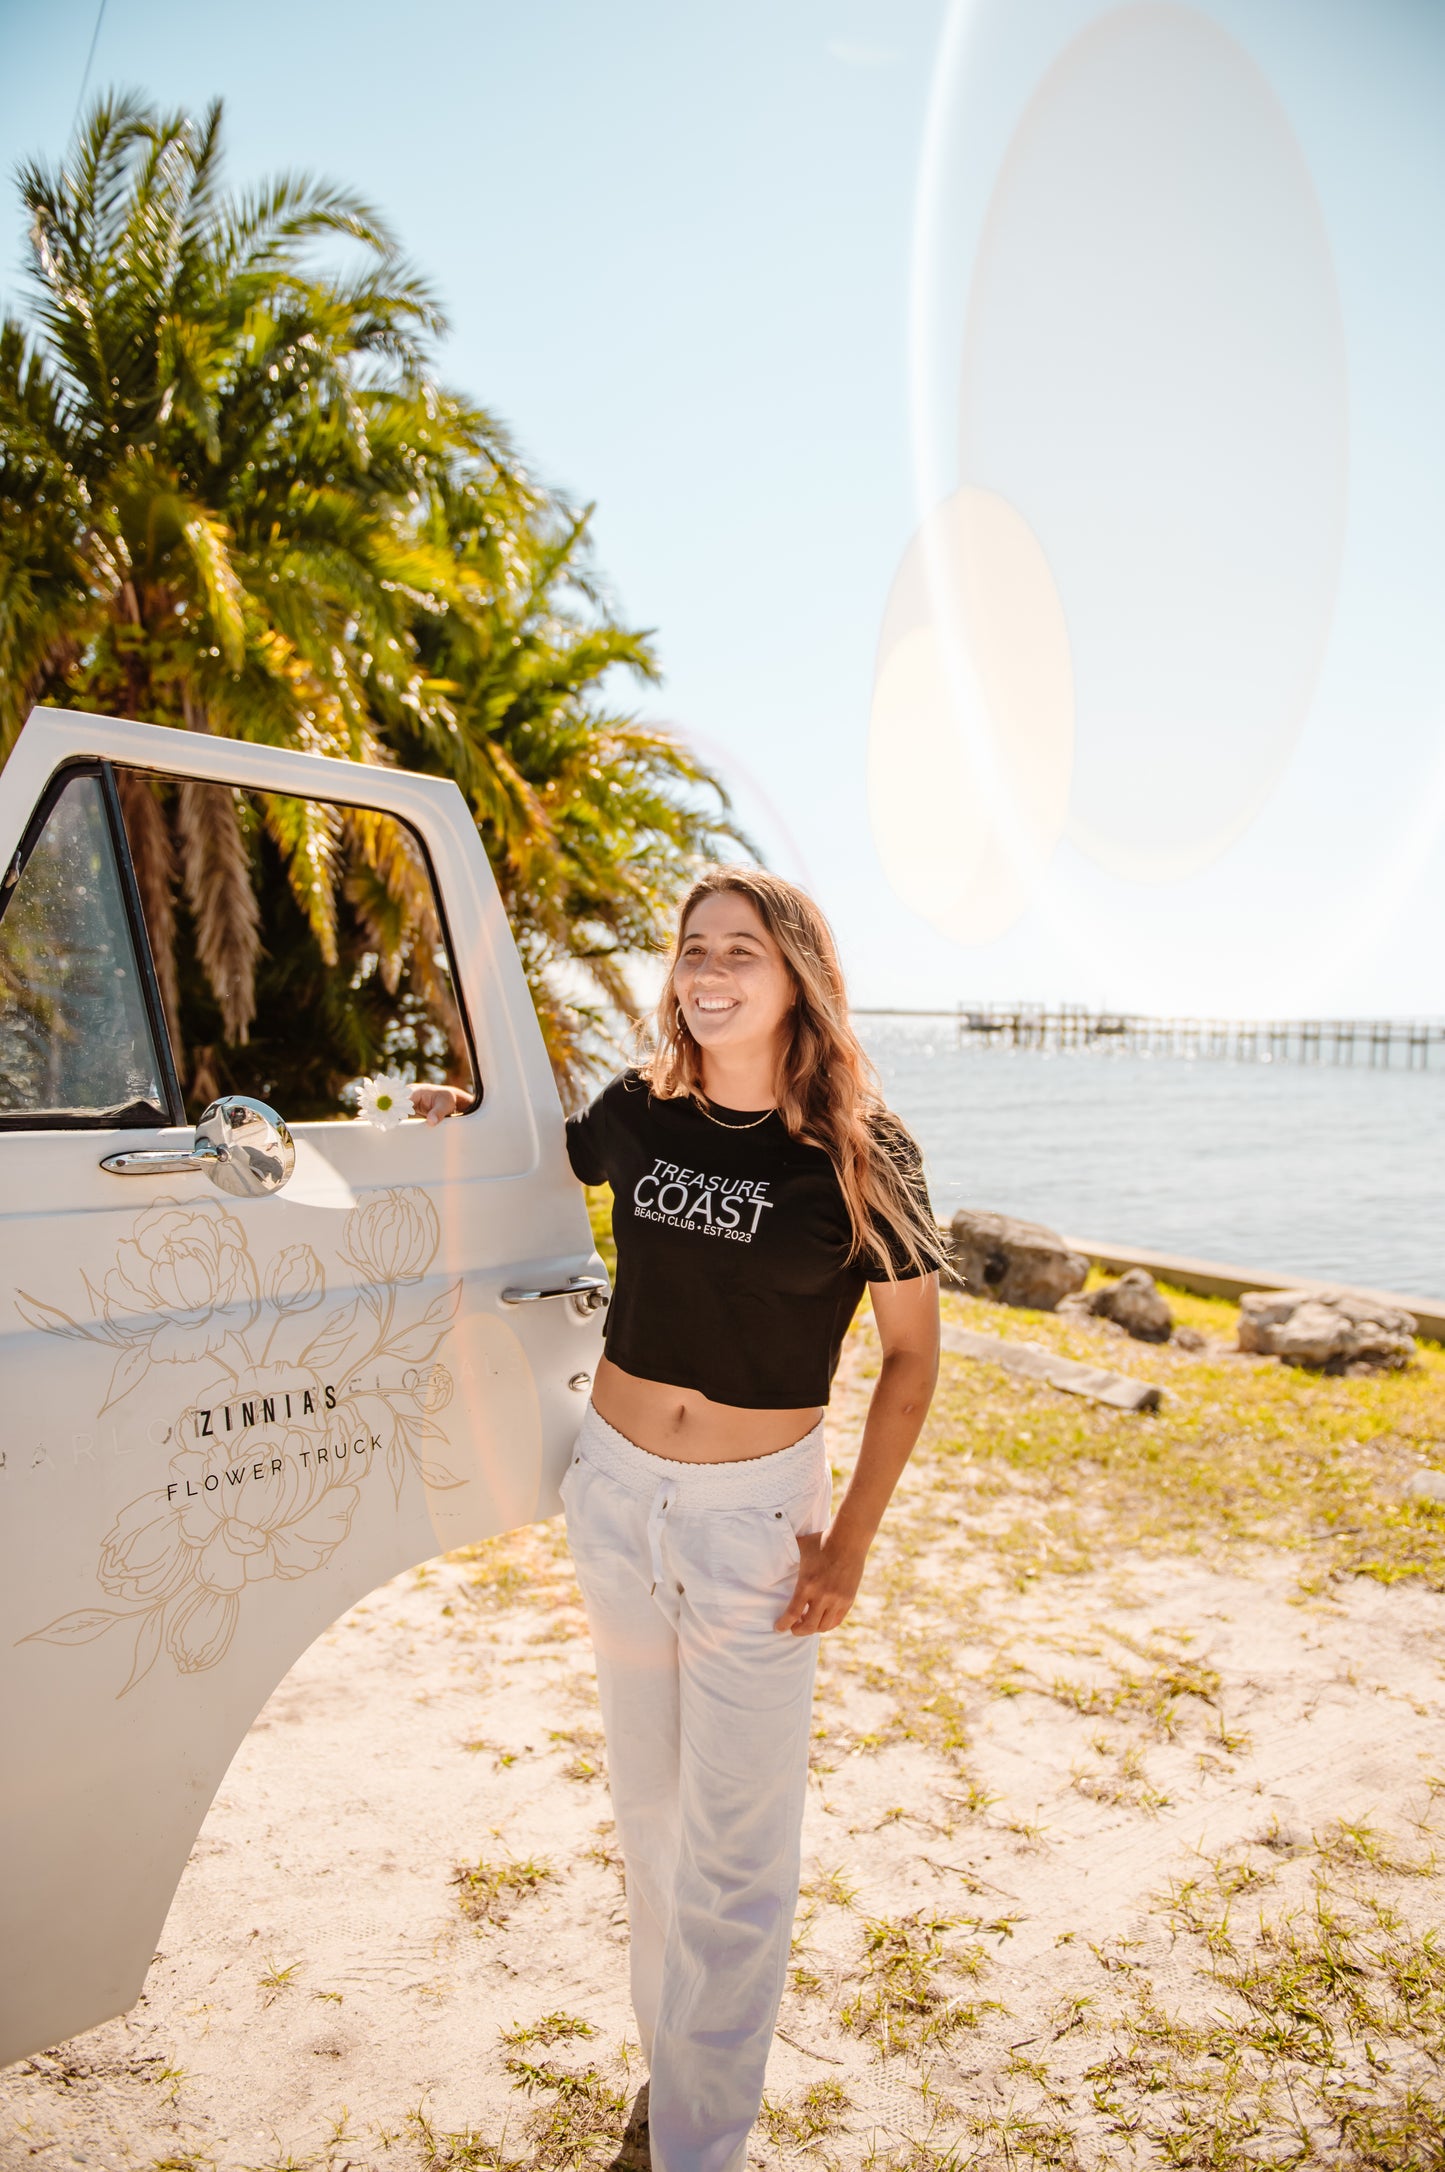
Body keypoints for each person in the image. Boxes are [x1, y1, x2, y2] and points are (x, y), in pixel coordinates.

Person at [414, 867, 941, 2172]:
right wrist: (446, 1123)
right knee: (650, 1814)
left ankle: (700, 2144)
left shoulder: (863, 1151)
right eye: (693, 950)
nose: (708, 973)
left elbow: (912, 1360)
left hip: (755, 1523)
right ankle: (674, 2067)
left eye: (740, 953)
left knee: (737, 1847)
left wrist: (853, 1545)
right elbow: (534, 1161)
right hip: (614, 1496)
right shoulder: (639, 1112)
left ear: (797, 976)